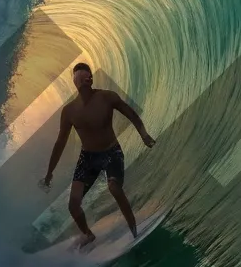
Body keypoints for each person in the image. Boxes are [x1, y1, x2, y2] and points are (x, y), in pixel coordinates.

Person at [40, 61, 155, 247]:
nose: (86, 81)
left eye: (88, 77)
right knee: (73, 205)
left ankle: (134, 230)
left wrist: (143, 134)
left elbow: (131, 114)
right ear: (75, 82)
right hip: (88, 158)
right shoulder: (69, 111)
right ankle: (88, 235)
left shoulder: (106, 97)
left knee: (114, 188)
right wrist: (49, 173)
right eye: (81, 78)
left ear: (91, 79)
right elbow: (60, 143)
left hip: (111, 153)